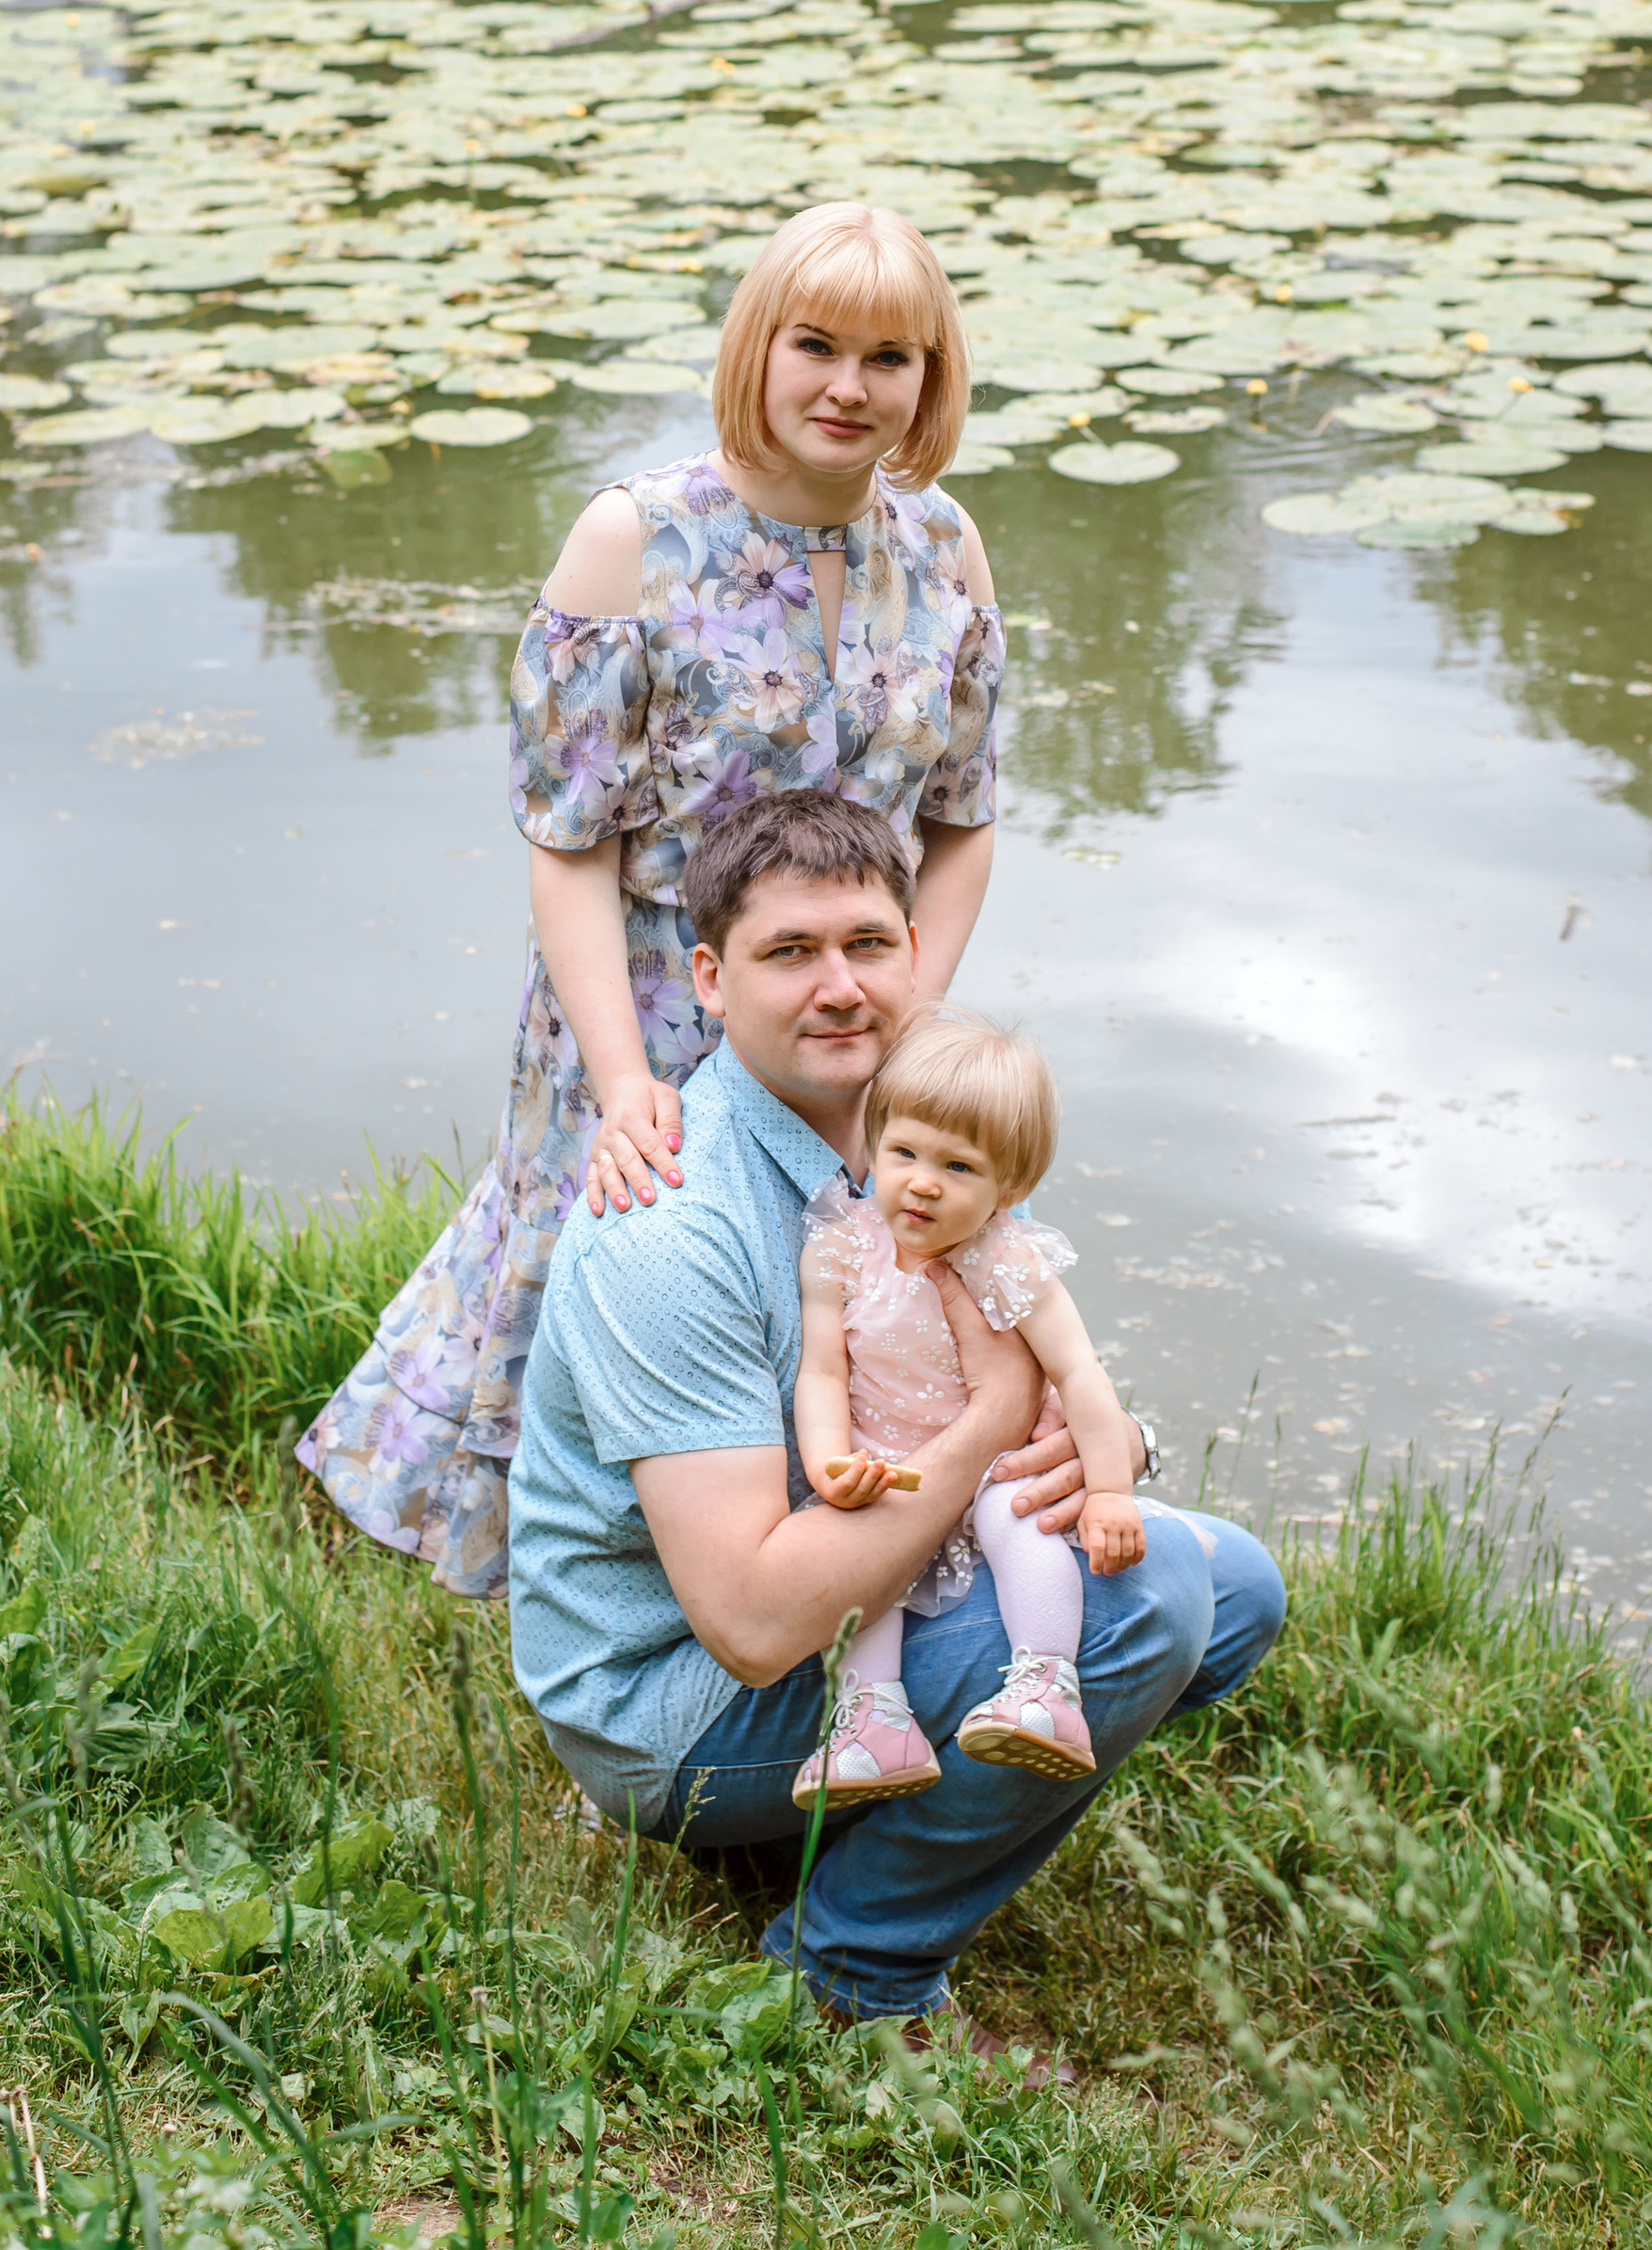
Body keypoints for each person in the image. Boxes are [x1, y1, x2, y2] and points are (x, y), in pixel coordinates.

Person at [296, 203, 1004, 1601]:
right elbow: (567, 845)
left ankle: (813, 1589)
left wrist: (908, 1008)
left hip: (848, 1021)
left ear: (933, 377)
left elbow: (963, 818)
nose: (851, 388)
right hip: (645, 1016)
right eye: (817, 345)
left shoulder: (947, 549)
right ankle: (581, 1601)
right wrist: (626, 1084)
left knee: (842, 1292)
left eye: (892, 357)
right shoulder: (636, 540)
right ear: (759, 346)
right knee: (609, 1276)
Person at [507, 787, 1287, 2035]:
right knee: (1145, 1607)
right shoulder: (675, 1225)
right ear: (710, 977)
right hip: (672, 1700)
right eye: (789, 953)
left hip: (855, 1567)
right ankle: (848, 1975)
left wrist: (1102, 1446)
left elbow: (1024, 1347)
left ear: (915, 953)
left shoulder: (914, 1150)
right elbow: (757, 1622)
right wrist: (995, 1420)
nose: (841, 987)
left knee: (1238, 1586)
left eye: (869, 944)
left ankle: (854, 1817)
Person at [788, 1011, 1148, 1810]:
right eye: (905, 1152)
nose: (921, 1181)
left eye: (957, 1167)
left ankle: (1046, 1688)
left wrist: (1114, 1485)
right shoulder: (841, 1247)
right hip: (887, 1454)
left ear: (1008, 1189)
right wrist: (828, 1460)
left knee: (1018, 1515)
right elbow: (821, 1371)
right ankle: (873, 1722)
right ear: (875, 1144)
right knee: (854, 1542)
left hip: (993, 1459)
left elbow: (1078, 1371)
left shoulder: (1005, 1257)